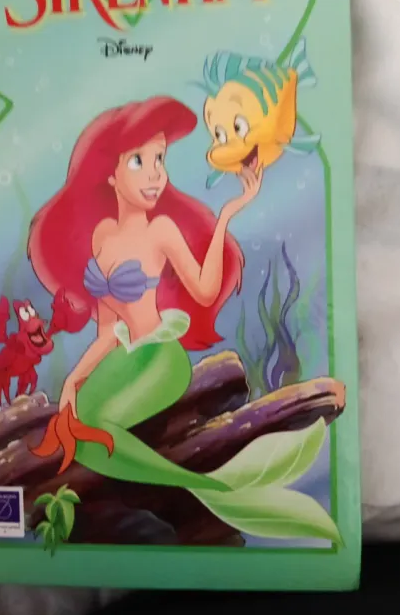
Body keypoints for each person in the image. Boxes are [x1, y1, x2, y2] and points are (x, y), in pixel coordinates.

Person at [26, 96, 339, 544]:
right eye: (139, 161)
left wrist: (227, 215)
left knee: (92, 433)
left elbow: (205, 291)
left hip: (160, 357)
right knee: (83, 423)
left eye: (160, 159)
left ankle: (204, 486)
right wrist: (75, 377)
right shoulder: (102, 237)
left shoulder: (161, 231)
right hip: (125, 357)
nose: (155, 174)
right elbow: (109, 329)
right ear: (110, 173)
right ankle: (202, 486)